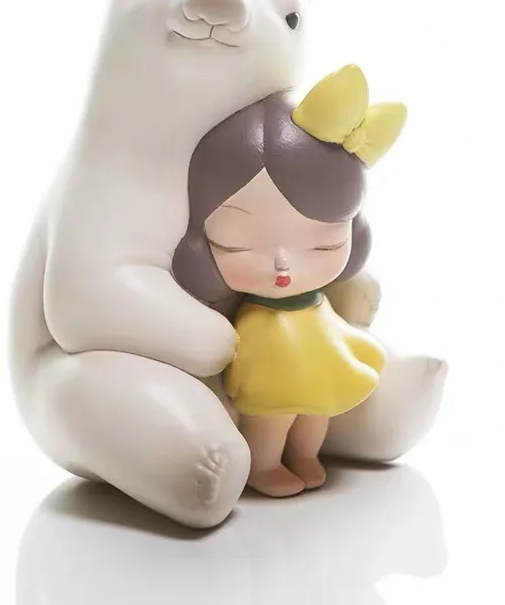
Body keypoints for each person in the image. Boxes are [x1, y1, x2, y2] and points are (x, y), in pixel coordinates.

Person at [172, 64, 407, 497]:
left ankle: (306, 456)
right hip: (269, 341)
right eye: (238, 245)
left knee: (318, 411)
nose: (283, 262)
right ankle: (263, 465)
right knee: (273, 414)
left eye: (323, 245)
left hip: (318, 331)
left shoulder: (324, 293)